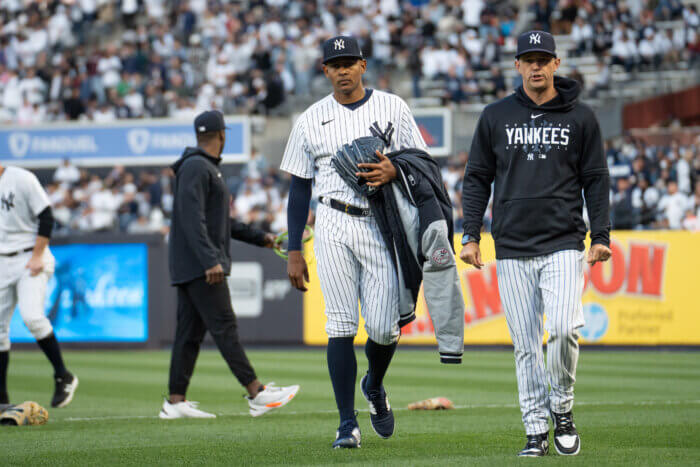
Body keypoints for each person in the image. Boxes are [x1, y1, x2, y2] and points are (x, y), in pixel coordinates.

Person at [460, 31, 612, 457]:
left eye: (543, 58)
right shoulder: (495, 115)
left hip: (564, 241)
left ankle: (561, 408)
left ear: (556, 64)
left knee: (564, 329)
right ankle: (535, 432)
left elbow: (596, 180)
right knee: (526, 345)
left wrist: (600, 235)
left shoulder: (581, 118)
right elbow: (477, 179)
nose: (536, 66)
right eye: (529, 59)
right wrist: (471, 234)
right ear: (517, 66)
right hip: (511, 245)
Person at [281, 36, 428, 448]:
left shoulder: (393, 107)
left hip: (381, 222)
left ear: (363, 65)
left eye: (349, 62)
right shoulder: (310, 118)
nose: (342, 70)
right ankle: (347, 424)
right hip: (331, 222)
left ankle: (375, 384)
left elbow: (420, 163)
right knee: (341, 324)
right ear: (324, 70)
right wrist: (295, 249)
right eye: (334, 64)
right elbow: (298, 189)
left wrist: (394, 171)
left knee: (385, 328)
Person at [160, 110, 299, 419]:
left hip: (193, 263)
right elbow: (191, 217)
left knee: (189, 335)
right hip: (202, 265)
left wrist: (262, 238)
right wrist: (210, 259)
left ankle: (175, 401)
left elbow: (219, 221)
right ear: (222, 135)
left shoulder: (200, 167)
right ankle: (256, 393)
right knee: (224, 326)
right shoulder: (198, 167)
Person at [0, 163, 78, 408]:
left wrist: (37, 255)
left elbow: (46, 215)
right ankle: (2, 401)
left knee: (32, 317)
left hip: (31, 255)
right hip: (3, 260)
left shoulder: (21, 178)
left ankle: (62, 375)